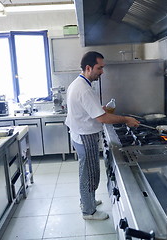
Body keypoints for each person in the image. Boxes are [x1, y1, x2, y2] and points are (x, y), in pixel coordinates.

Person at [65, 51, 140, 220]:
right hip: (85, 137)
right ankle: (88, 211)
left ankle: (87, 201)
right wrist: (126, 119)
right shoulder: (83, 89)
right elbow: (103, 118)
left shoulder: (78, 83)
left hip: (80, 134)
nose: (102, 72)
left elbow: (92, 111)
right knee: (89, 173)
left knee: (85, 171)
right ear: (88, 67)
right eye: (99, 68)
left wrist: (101, 109)